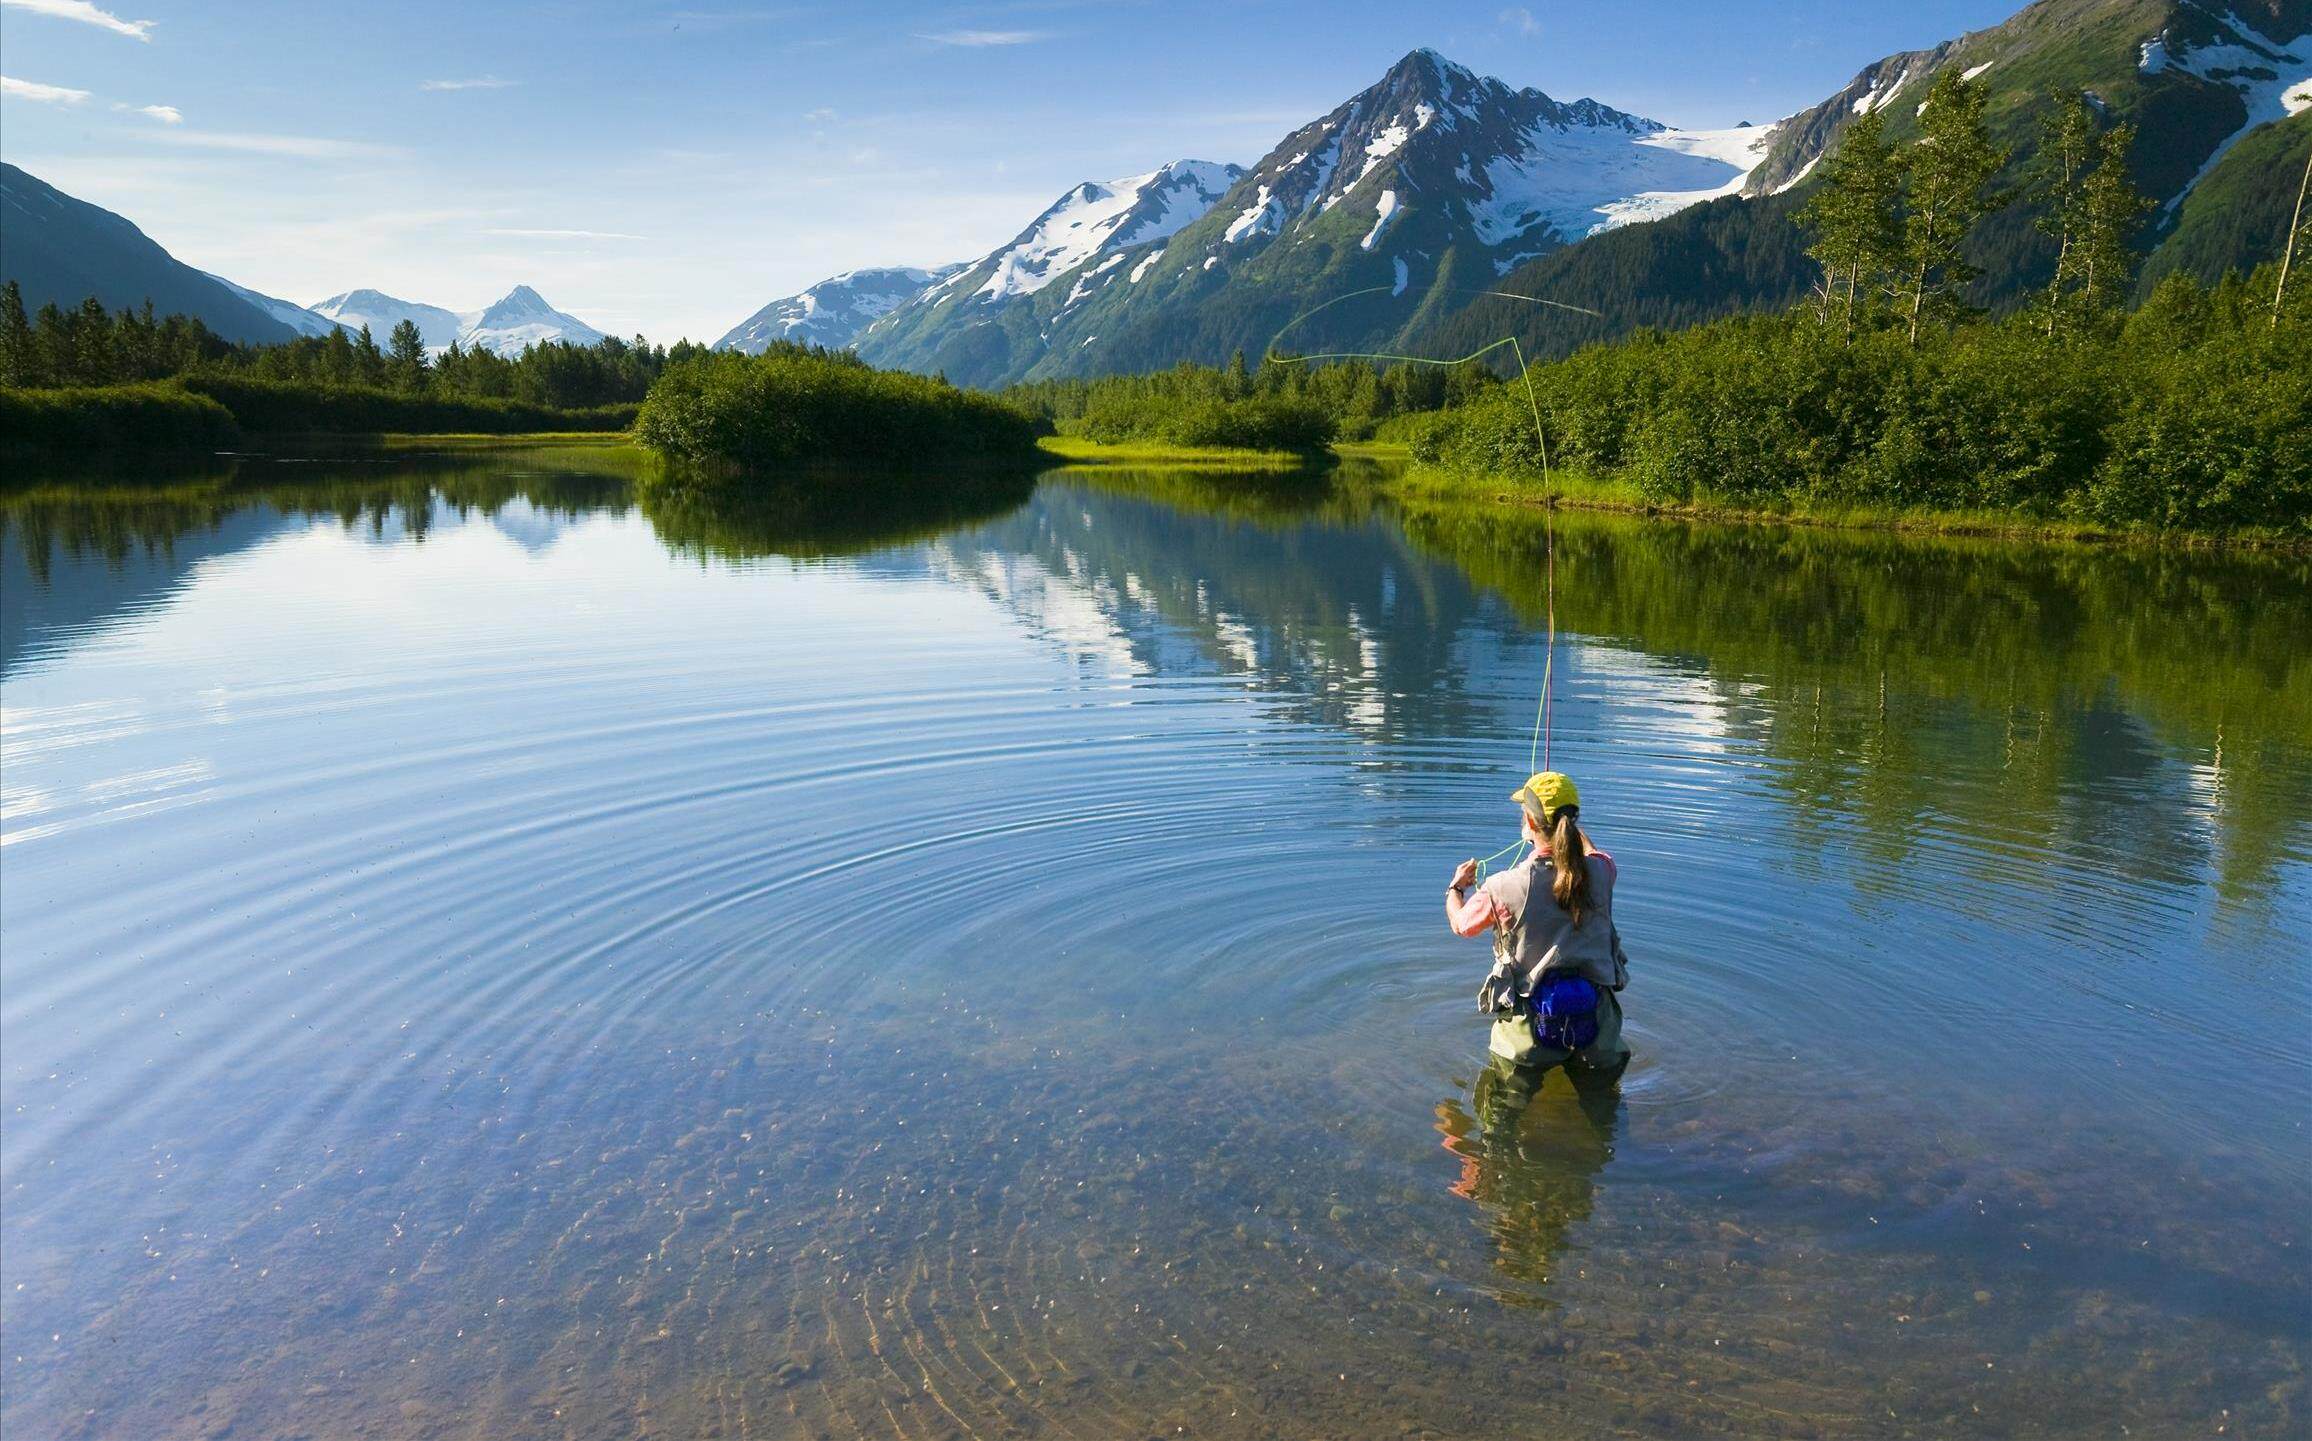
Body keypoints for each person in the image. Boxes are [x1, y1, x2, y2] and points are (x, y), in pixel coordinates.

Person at [1443, 771, 1631, 1071]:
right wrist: (1568, 827)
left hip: (1528, 1032)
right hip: (1598, 1025)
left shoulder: (1503, 887)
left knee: (1502, 1112)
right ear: (1573, 821)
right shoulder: (1603, 873)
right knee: (1605, 1109)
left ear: (1530, 823)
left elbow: (1461, 925)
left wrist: (1455, 888)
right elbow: (1594, 853)